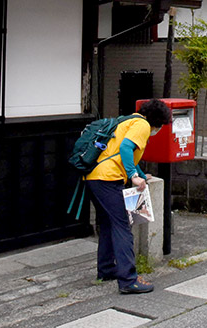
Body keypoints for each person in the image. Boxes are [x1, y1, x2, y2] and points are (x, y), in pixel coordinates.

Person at [84, 98, 172, 294]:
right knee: (123, 224)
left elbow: (122, 153)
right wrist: (133, 176)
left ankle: (106, 269)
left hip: (94, 177)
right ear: (157, 121)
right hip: (107, 179)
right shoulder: (142, 125)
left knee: (108, 222)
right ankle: (128, 279)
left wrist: (140, 174)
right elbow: (125, 148)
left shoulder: (129, 119)